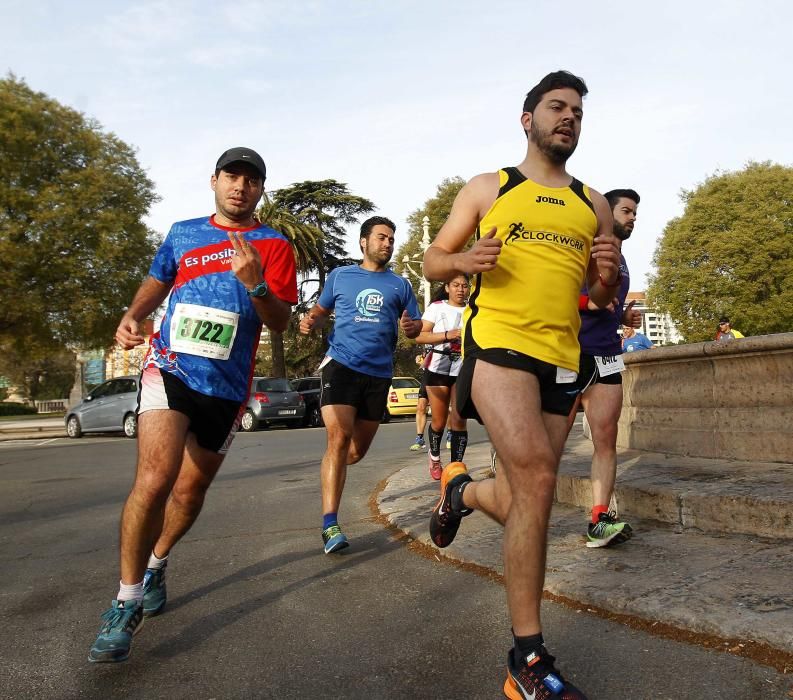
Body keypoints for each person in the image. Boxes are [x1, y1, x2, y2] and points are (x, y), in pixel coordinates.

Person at [423, 71, 621, 700]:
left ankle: (460, 493)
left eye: (578, 113)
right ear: (527, 118)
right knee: (537, 476)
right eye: (557, 108)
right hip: (500, 346)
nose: (569, 118)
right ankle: (526, 660)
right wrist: (462, 261)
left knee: (520, 500)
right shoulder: (490, 187)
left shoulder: (592, 203)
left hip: (564, 357)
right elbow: (434, 258)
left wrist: (606, 281)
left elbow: (595, 296)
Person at [89, 147, 298, 663]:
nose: (240, 187)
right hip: (170, 367)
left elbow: (280, 322)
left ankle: (158, 561)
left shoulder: (274, 244)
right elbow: (158, 279)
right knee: (155, 479)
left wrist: (255, 284)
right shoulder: (183, 233)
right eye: (232, 176)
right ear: (214, 180)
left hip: (226, 386)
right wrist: (133, 314)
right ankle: (126, 600)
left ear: (261, 190)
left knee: (189, 489)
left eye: (252, 180)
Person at [299, 216, 423, 553]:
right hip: (341, 365)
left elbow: (414, 326)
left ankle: (332, 462)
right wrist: (310, 320)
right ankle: (330, 525)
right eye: (382, 237)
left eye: (392, 239)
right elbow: (322, 310)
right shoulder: (341, 277)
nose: (388, 243)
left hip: (379, 374)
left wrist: (412, 328)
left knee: (354, 452)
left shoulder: (401, 285)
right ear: (363, 242)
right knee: (338, 438)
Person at [573, 189, 643, 548]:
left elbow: (611, 305)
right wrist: (593, 303)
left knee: (606, 440)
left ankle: (600, 517)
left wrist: (622, 315)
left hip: (607, 355)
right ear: (606, 212)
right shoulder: (584, 245)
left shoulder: (623, 257)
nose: (632, 218)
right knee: (547, 445)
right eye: (626, 211)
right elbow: (561, 293)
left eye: (635, 213)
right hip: (570, 354)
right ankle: (519, 511)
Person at [414, 274, 470, 479]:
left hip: (462, 370)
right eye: (455, 285)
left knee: (459, 419)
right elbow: (420, 336)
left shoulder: (474, 309)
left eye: (465, 285)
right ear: (447, 287)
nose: (460, 289)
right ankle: (435, 457)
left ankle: (456, 466)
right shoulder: (437, 307)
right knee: (438, 421)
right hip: (437, 368)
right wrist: (448, 335)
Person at [410, 351, 430, 451]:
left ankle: (450, 434)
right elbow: (424, 354)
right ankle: (420, 439)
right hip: (428, 374)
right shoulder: (426, 337)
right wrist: (420, 357)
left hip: (443, 372)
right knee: (421, 407)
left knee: (445, 408)